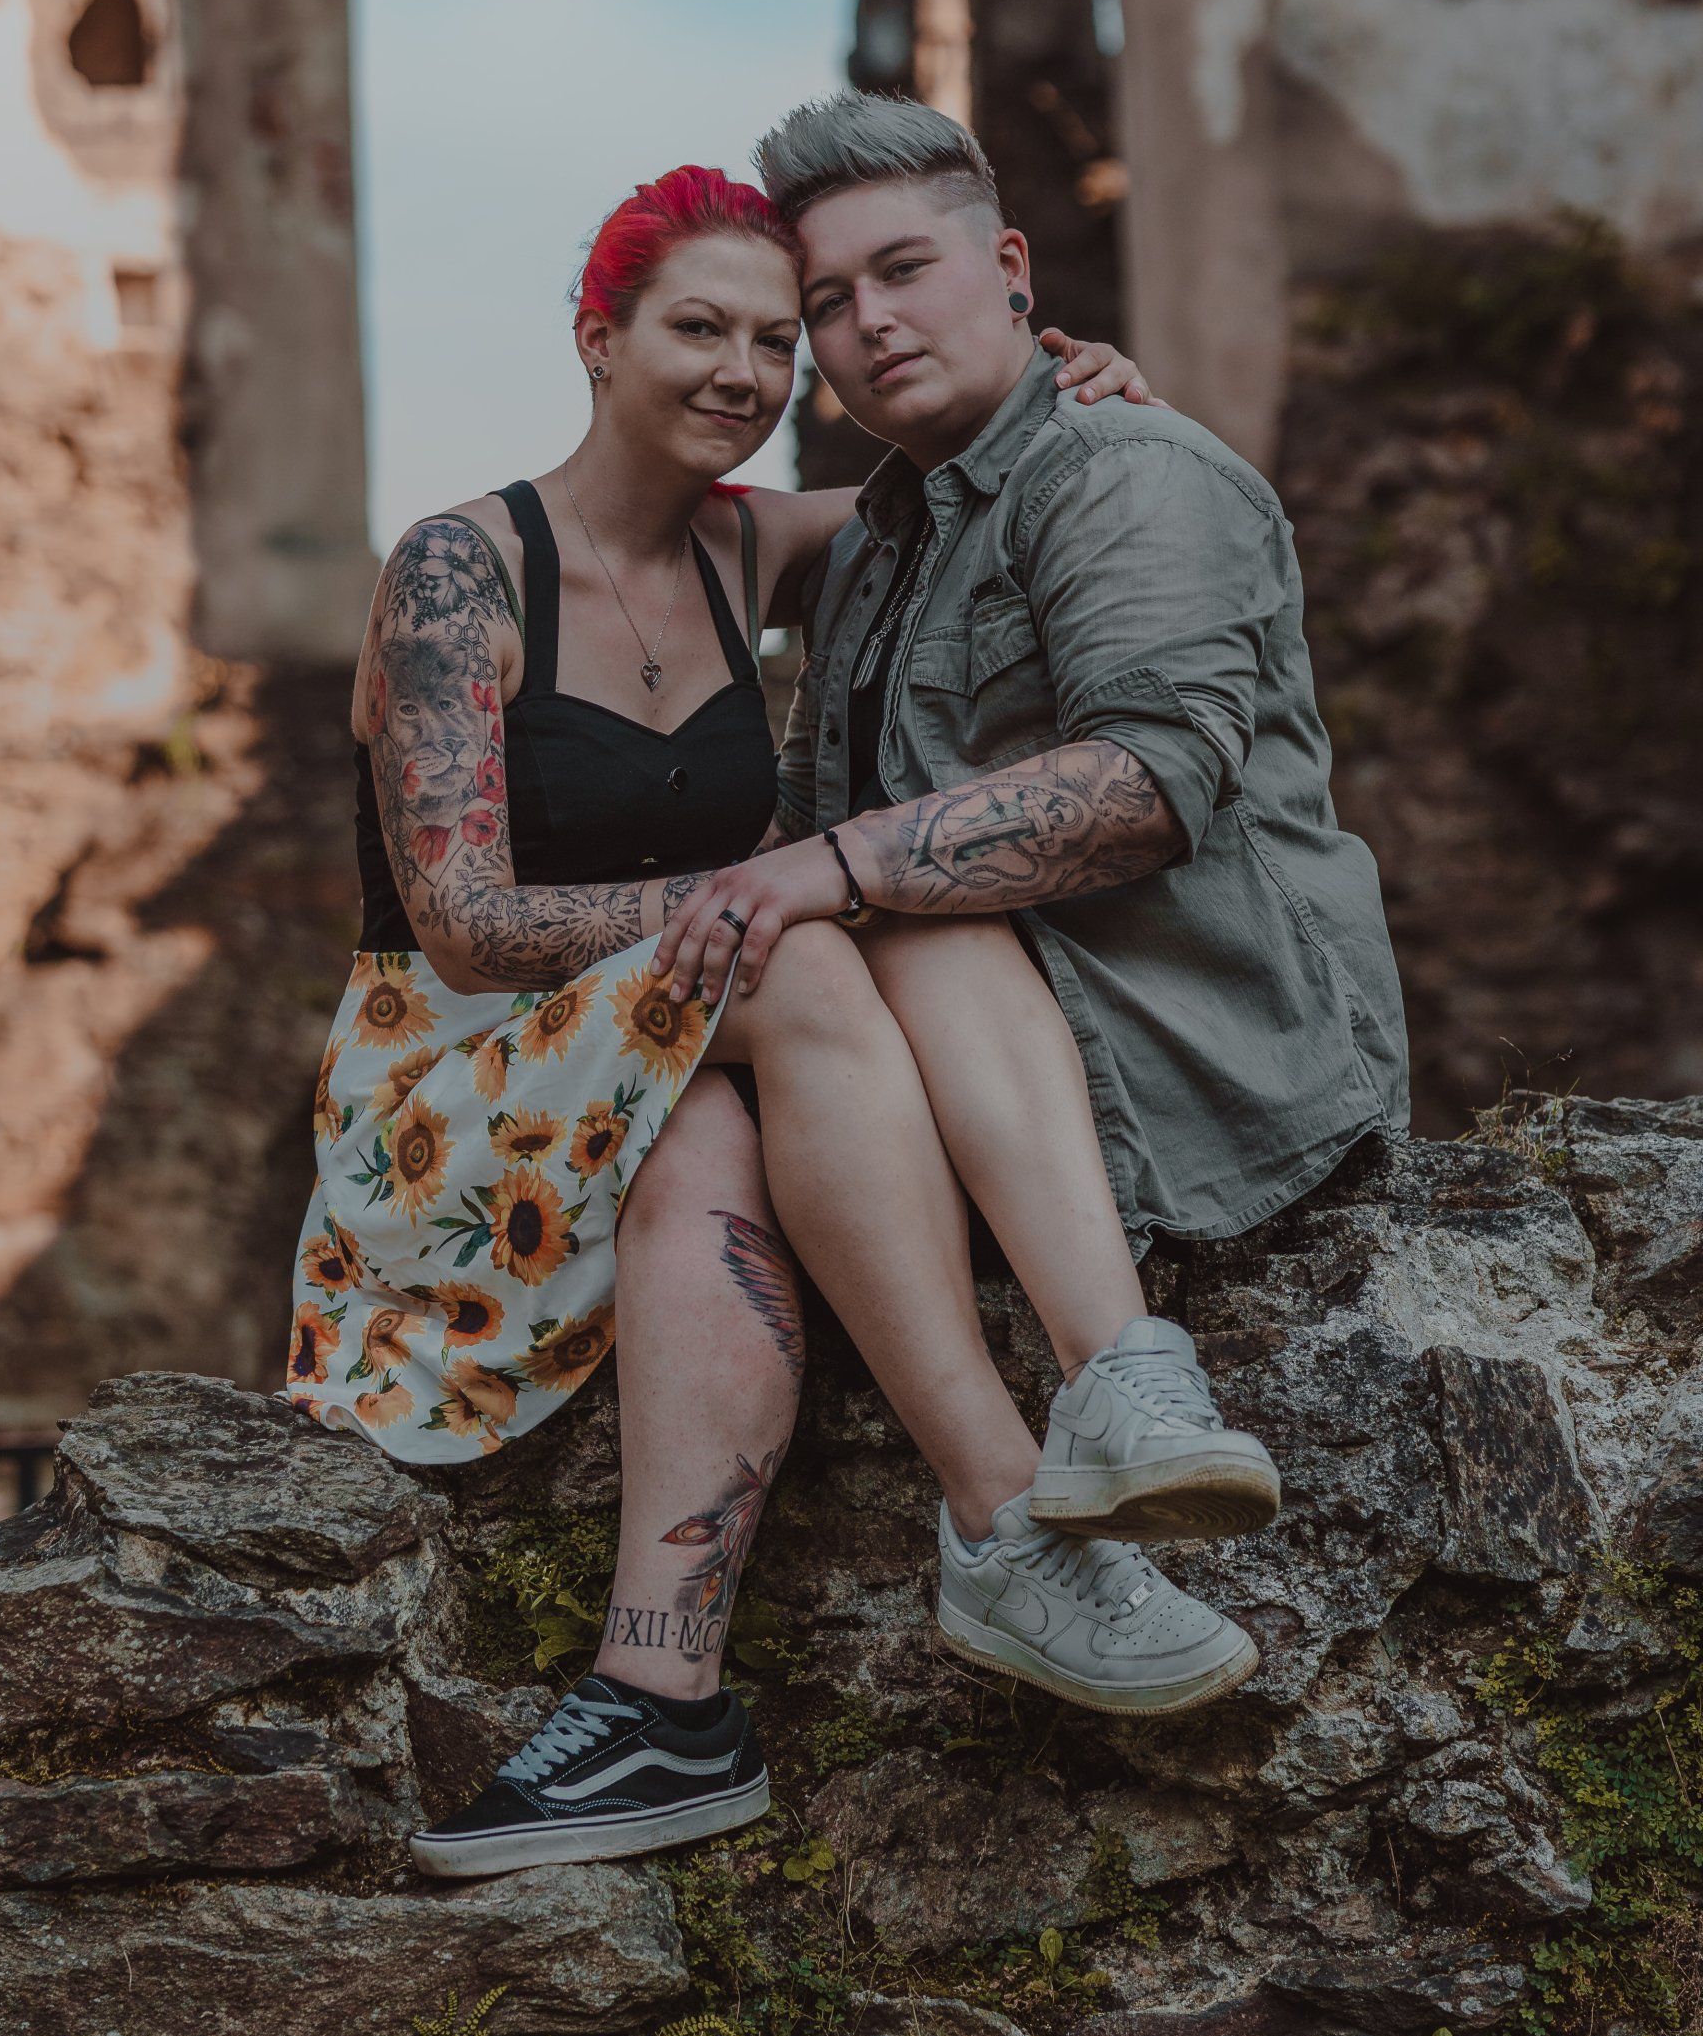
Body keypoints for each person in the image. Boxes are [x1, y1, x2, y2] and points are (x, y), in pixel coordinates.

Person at [287, 163, 1284, 1881]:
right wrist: (760, 896)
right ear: (598, 338)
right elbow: (463, 924)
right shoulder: (461, 569)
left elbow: (974, 469)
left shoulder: (756, 541)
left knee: (727, 1109)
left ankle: (661, 1704)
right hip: (448, 1077)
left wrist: (1073, 378)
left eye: (776, 339)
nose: (746, 372)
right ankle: (1007, 1513)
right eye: (700, 329)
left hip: (659, 1044)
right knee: (809, 948)